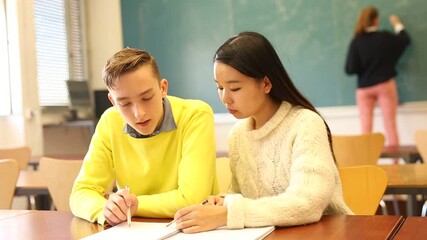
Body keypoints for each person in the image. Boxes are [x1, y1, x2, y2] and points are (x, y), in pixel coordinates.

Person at [173, 32, 353, 233]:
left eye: (235, 88)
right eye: (219, 87)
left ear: (266, 83)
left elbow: (307, 203)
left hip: (326, 233)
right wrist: (225, 202)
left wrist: (228, 213)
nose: (225, 99)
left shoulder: (305, 124)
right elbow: (244, 197)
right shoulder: (238, 135)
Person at [70, 48, 218, 226]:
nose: (139, 114)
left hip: (192, 229)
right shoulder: (110, 122)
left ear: (163, 88)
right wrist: (105, 209)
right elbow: (81, 192)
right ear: (112, 101)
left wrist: (132, 205)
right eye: (124, 103)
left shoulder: (195, 115)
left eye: (146, 98)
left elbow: (191, 198)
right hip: (134, 230)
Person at [345, 6, 411, 153]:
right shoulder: (385, 38)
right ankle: (396, 167)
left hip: (364, 89)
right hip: (385, 85)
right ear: (376, 20)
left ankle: (367, 165)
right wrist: (397, 24)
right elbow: (405, 39)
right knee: (390, 126)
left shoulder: (357, 41)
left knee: (366, 129)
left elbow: (350, 69)